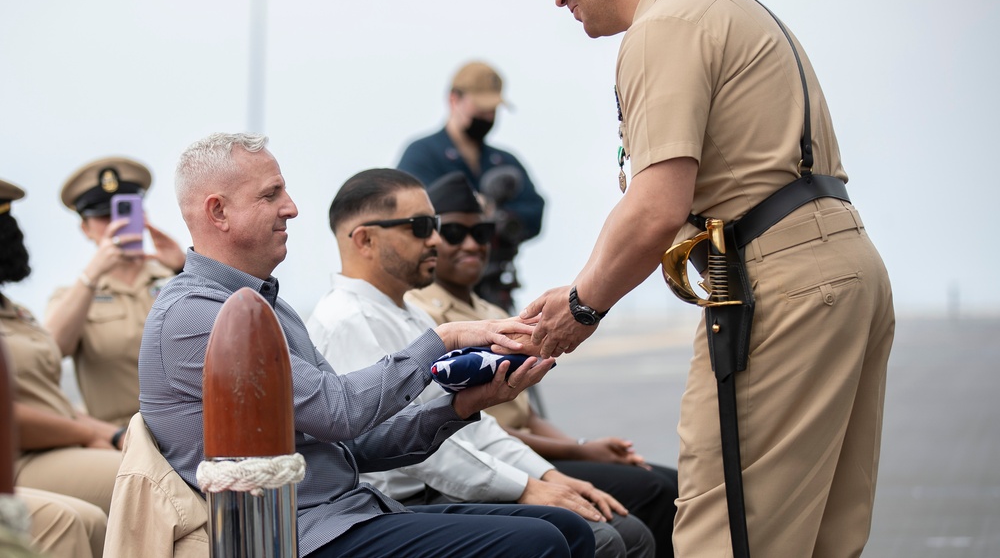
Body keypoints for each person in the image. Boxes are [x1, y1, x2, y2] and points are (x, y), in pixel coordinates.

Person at [513, 0, 896, 557]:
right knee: (821, 538)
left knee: (727, 535)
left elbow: (656, 205)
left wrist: (581, 304)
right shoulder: (724, 3)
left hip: (780, 287)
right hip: (842, 268)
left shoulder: (665, 26)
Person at [139, 132, 595, 558]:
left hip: (347, 512)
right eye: (270, 194)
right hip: (302, 534)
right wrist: (442, 339)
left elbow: (354, 444)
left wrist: (461, 406)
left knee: (567, 530)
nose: (292, 208)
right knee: (540, 543)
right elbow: (338, 413)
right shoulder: (200, 314)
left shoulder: (266, 304)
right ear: (218, 212)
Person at [306, 168, 653, 558]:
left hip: (447, 485)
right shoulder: (346, 321)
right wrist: (525, 486)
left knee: (620, 526)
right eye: (421, 226)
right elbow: (410, 454)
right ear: (365, 240)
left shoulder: (403, 315)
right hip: (413, 498)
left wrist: (547, 475)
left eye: (435, 225)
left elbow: (473, 429)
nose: (435, 239)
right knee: (605, 538)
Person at [407, 171, 678, 558]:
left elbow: (527, 414)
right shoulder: (427, 319)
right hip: (495, 458)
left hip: (528, 450)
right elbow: (471, 431)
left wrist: (582, 446)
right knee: (650, 500)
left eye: (482, 233)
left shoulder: (490, 311)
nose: (472, 244)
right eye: (453, 234)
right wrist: (578, 452)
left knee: (664, 483)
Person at [0, 179, 122, 527]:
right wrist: (92, 435)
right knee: (149, 483)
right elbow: (10, 418)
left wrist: (114, 435)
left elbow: (49, 400)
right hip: (17, 457)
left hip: (57, 446)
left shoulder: (15, 311)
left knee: (155, 468)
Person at [43, 157, 185, 428]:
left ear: (142, 216)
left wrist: (184, 267)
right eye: (103, 216)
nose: (114, 224)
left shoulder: (176, 279)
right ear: (85, 228)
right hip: (120, 439)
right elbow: (50, 353)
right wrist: (92, 275)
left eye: (124, 212)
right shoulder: (72, 296)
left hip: (187, 429)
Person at [397, 60, 546, 312]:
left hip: (494, 287)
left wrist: (501, 219)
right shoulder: (422, 155)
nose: (487, 117)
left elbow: (535, 211)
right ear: (454, 100)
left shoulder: (504, 162)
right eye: (481, 108)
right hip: (435, 292)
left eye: (492, 110)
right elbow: (411, 214)